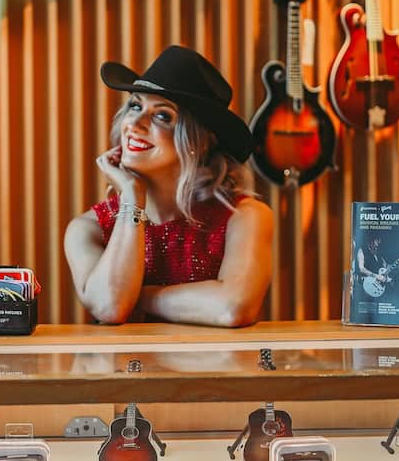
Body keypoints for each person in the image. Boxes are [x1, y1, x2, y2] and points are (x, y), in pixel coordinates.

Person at [64, 45, 273, 327]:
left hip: (213, 371)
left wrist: (138, 295)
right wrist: (130, 201)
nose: (135, 123)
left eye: (162, 115)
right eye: (135, 106)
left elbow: (232, 308)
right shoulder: (88, 229)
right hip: (120, 371)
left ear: (199, 142)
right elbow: (111, 306)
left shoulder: (245, 217)